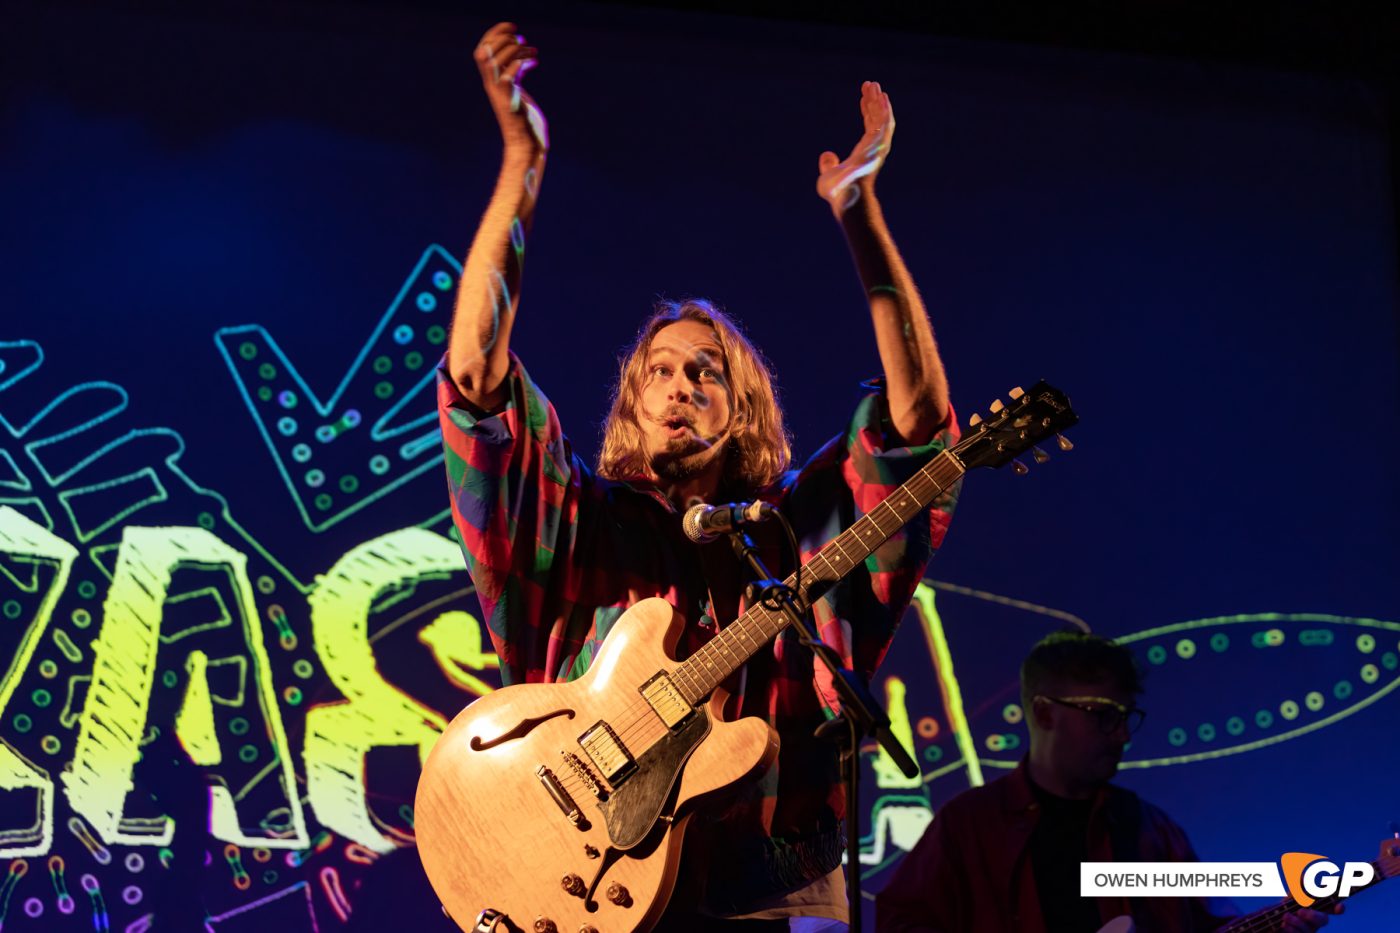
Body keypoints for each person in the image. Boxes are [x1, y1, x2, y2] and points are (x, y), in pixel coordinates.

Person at [434, 20, 960, 931]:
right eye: (661, 369)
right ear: (632, 401)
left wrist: (861, 216)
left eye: (707, 370)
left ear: (744, 406)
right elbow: (477, 378)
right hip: (587, 882)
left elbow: (916, 429)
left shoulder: (794, 535)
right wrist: (522, 159)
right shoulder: (577, 526)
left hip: (775, 881)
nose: (681, 382)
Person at [874, 632, 1339, 933]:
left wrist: (1281, 924)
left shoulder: (1152, 830)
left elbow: (1208, 924)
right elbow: (901, 924)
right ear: (1042, 712)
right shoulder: (968, 825)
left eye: (1125, 718)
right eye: (1103, 716)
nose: (1121, 735)